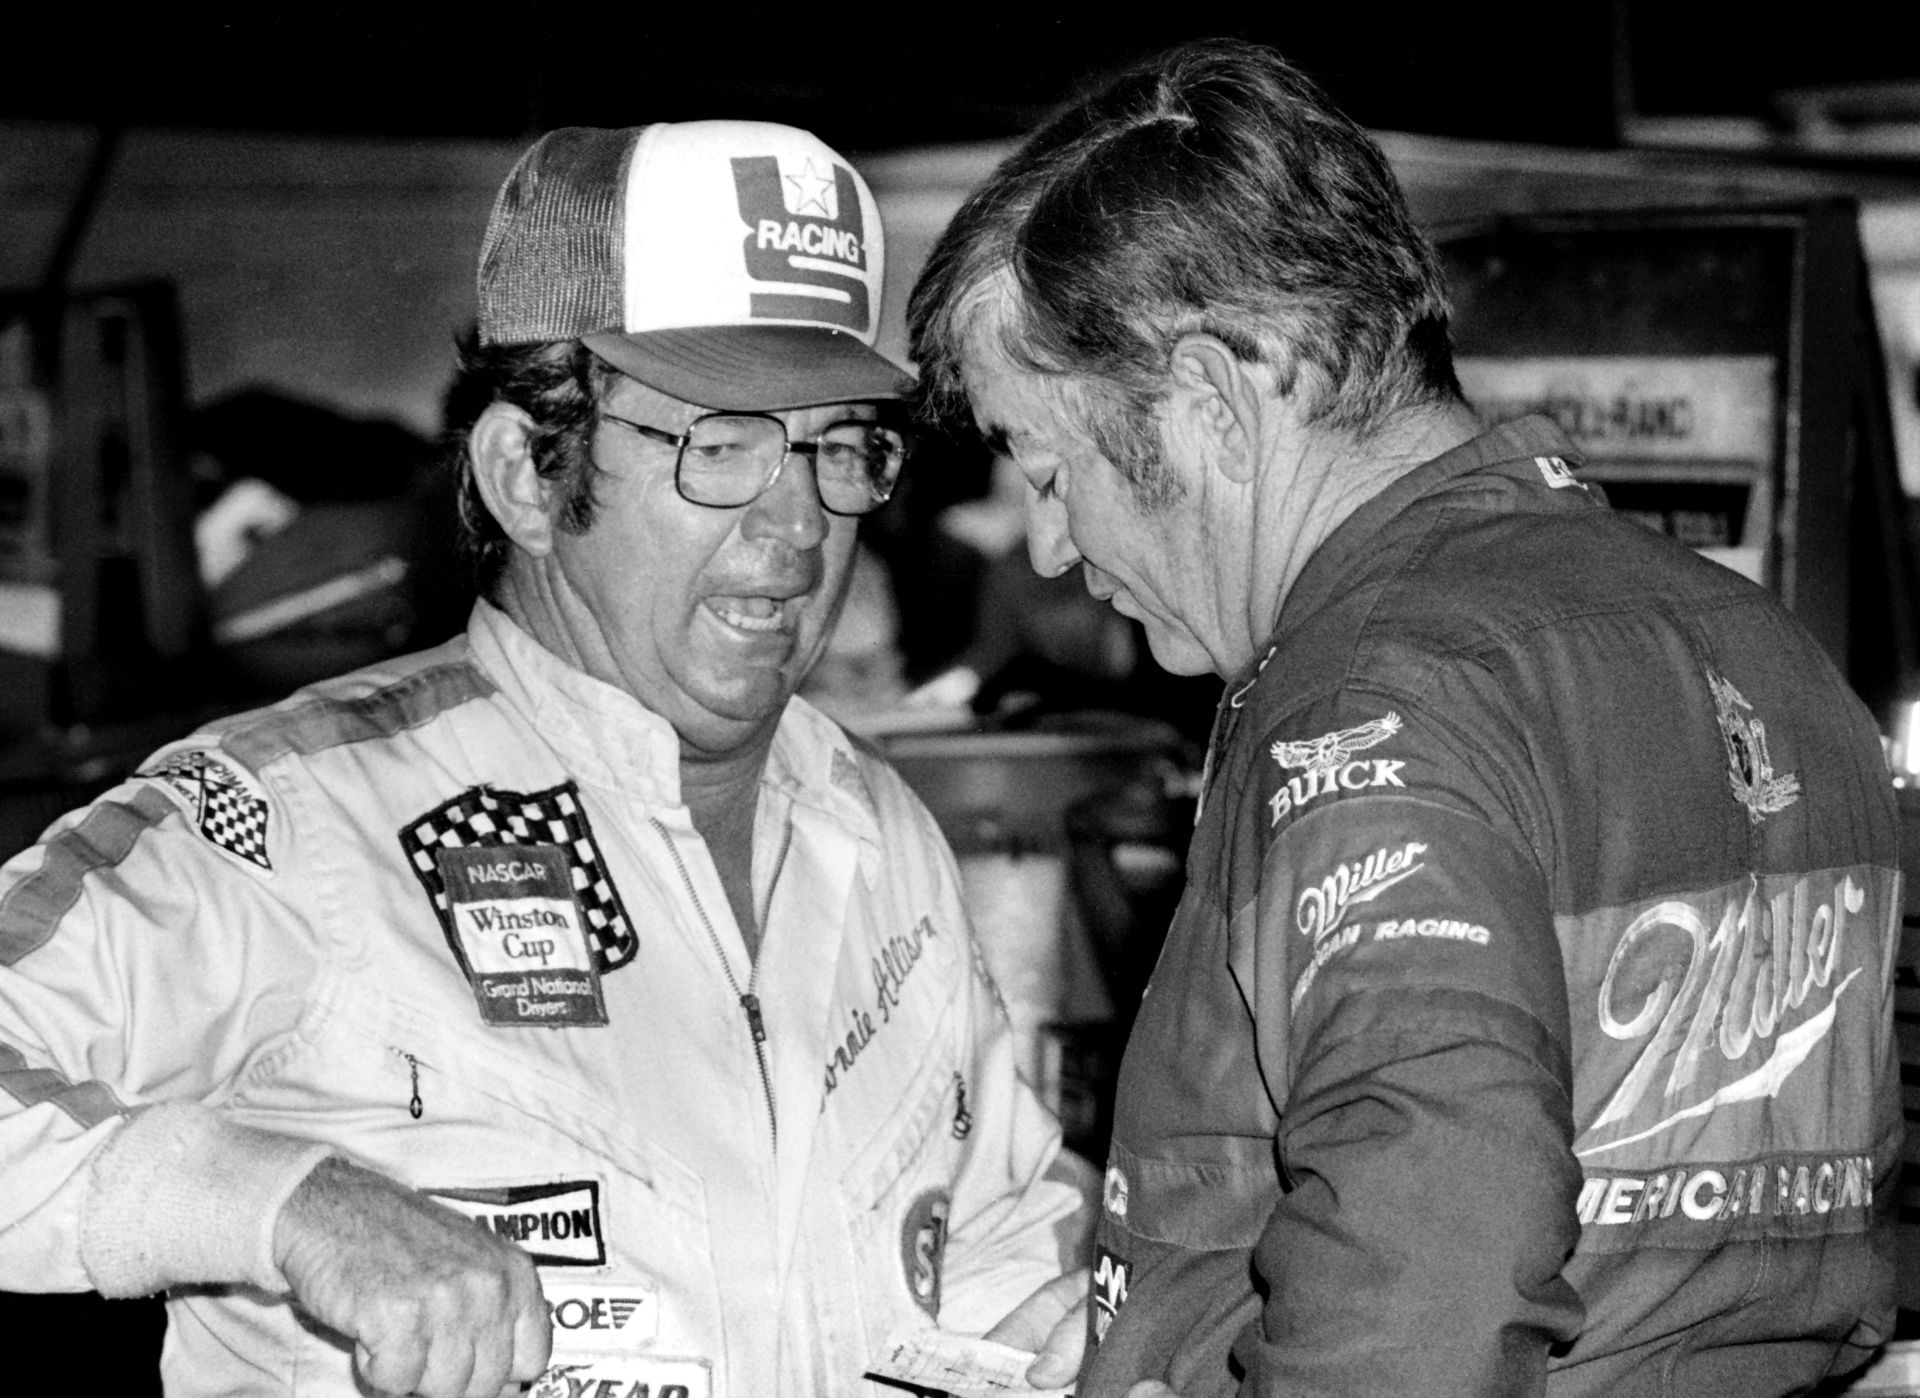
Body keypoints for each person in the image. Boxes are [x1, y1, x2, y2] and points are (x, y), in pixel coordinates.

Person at [0, 120, 1092, 1398]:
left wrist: (1074, 1341)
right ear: (526, 470)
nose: (798, 523)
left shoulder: (875, 825)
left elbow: (1004, 1237)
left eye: (839, 446)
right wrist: (288, 1200)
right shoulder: (290, 821)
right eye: (721, 442)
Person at [907, 38, 1903, 1398]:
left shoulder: (1371, 705)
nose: (1047, 540)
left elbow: (1424, 1280)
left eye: (1044, 459)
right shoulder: (1768, 653)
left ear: (1207, 404)